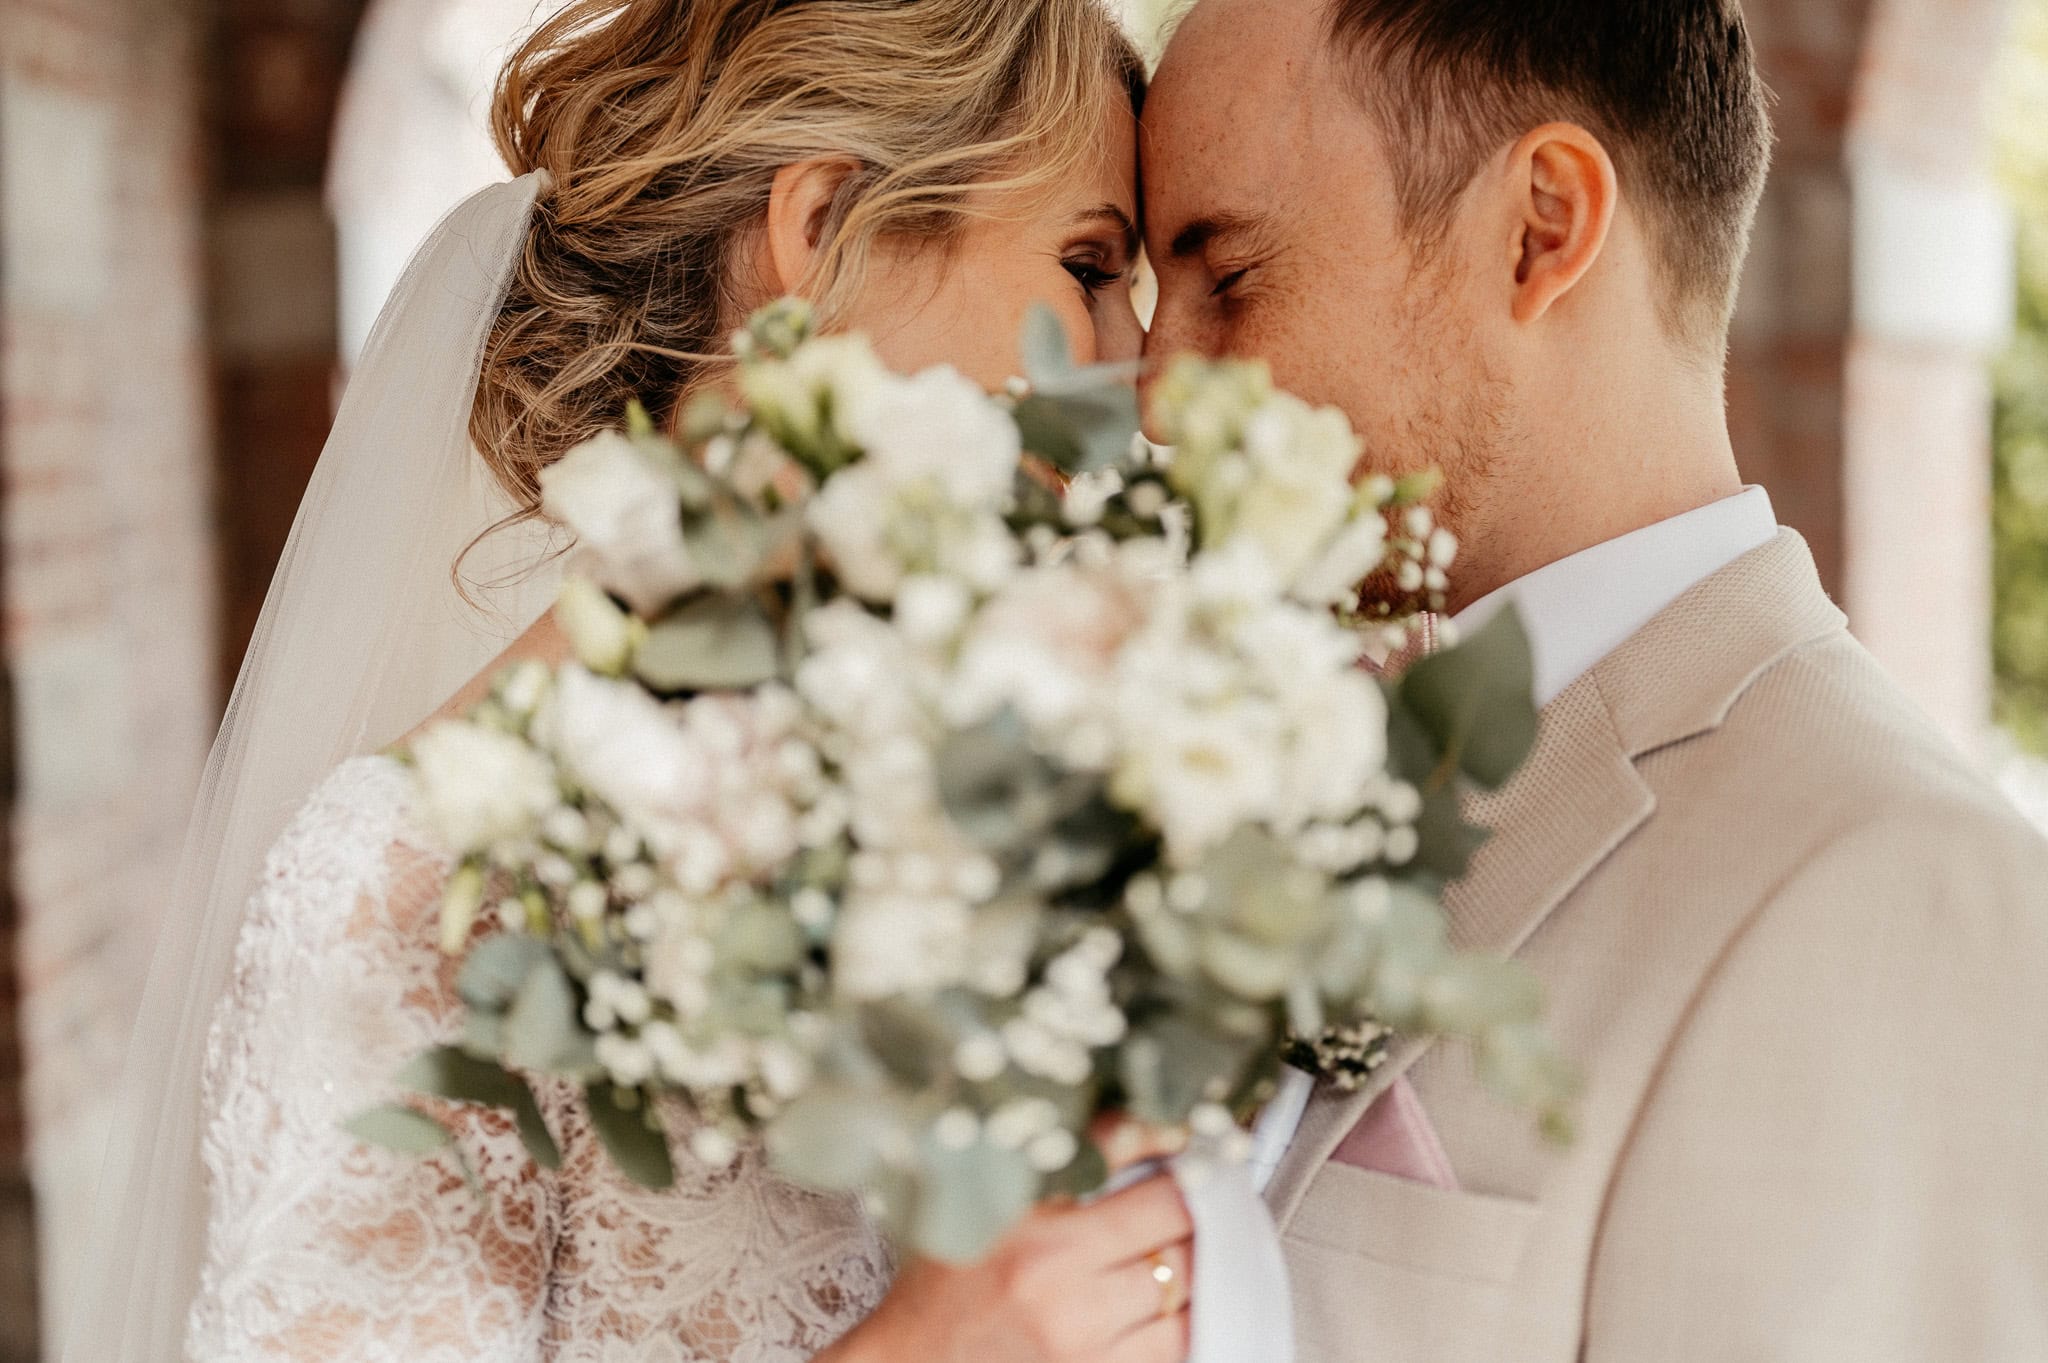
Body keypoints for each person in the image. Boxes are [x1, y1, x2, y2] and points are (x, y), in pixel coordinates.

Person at [70, 3, 1194, 1361]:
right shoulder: (420, 883)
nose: (1139, 362)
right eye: (1087, 266)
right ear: (825, 224)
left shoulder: (1037, 772)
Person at [1141, 0, 2048, 1359]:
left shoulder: (1897, 888)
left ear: (1542, 227)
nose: (1156, 392)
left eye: (1229, 276)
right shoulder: (1243, 756)